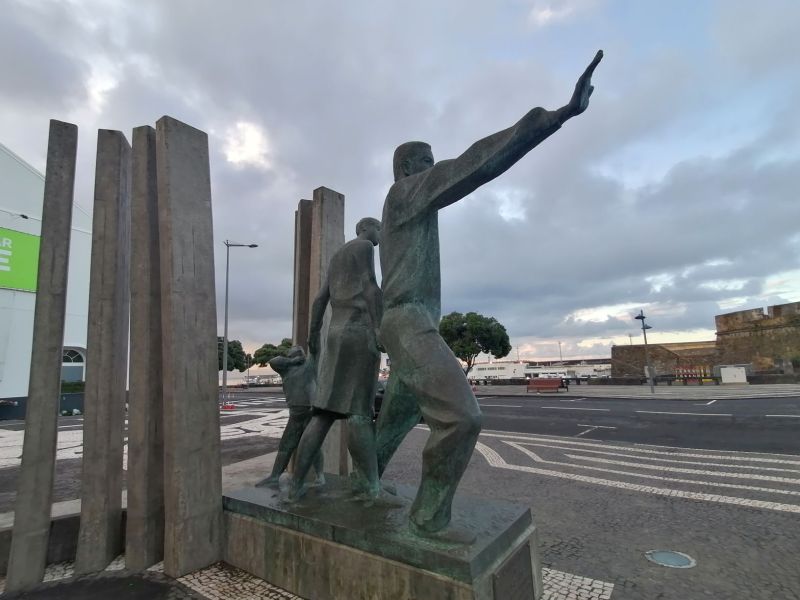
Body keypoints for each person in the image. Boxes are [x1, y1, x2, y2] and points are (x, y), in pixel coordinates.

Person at [375, 50, 604, 542]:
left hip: (409, 323)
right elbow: (472, 164)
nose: (435, 170)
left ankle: (362, 482)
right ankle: (427, 518)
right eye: (427, 164)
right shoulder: (404, 194)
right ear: (408, 169)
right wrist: (556, 117)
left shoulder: (409, 209)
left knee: (396, 419)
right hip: (408, 322)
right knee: (462, 418)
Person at [287, 217, 396, 506]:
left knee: (323, 413)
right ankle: (372, 488)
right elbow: (371, 287)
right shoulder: (364, 247)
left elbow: (320, 299)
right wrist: (379, 329)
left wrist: (313, 335)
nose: (381, 234)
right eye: (379, 229)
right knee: (359, 414)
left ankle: (296, 485)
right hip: (358, 333)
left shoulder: (338, 255)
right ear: (366, 228)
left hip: (335, 334)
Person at [254, 346, 324, 487]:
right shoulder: (286, 370)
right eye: (294, 355)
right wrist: (292, 362)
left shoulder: (309, 365)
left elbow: (315, 349)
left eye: (298, 354)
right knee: (285, 446)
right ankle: (275, 476)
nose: (297, 356)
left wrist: (303, 357)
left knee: (313, 445)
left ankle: (320, 476)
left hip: (309, 412)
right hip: (295, 414)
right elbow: (273, 361)